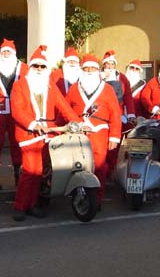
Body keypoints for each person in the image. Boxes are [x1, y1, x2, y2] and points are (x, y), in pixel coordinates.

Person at [10, 45, 81, 221]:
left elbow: (63, 106)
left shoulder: (49, 85)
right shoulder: (20, 85)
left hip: (47, 134)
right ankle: (20, 206)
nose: (39, 69)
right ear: (31, 67)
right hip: (28, 134)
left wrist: (78, 123)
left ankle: (32, 204)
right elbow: (17, 110)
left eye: (42, 66)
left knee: (40, 172)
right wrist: (33, 124)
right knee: (30, 171)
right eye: (36, 66)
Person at [66, 54, 122, 210]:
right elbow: (64, 110)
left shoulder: (108, 89)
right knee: (78, 166)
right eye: (86, 68)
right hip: (78, 133)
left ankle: (96, 199)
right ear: (81, 70)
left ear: (98, 70)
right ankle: (79, 195)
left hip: (100, 132)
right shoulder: (73, 89)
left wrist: (115, 137)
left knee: (99, 167)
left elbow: (115, 114)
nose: (89, 71)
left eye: (93, 68)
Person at [0, 39, 28, 190]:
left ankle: (18, 175)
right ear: (0, 53)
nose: (6, 54)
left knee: (17, 142)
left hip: (16, 110)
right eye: (4, 51)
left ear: (14, 53)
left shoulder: (24, 68)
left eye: (9, 51)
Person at [101, 50, 136, 175]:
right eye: (107, 64)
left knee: (115, 144)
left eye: (112, 64)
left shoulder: (122, 78)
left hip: (118, 115)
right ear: (103, 65)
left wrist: (131, 114)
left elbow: (128, 97)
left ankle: (111, 170)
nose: (109, 67)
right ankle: (101, 169)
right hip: (103, 117)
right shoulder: (98, 77)